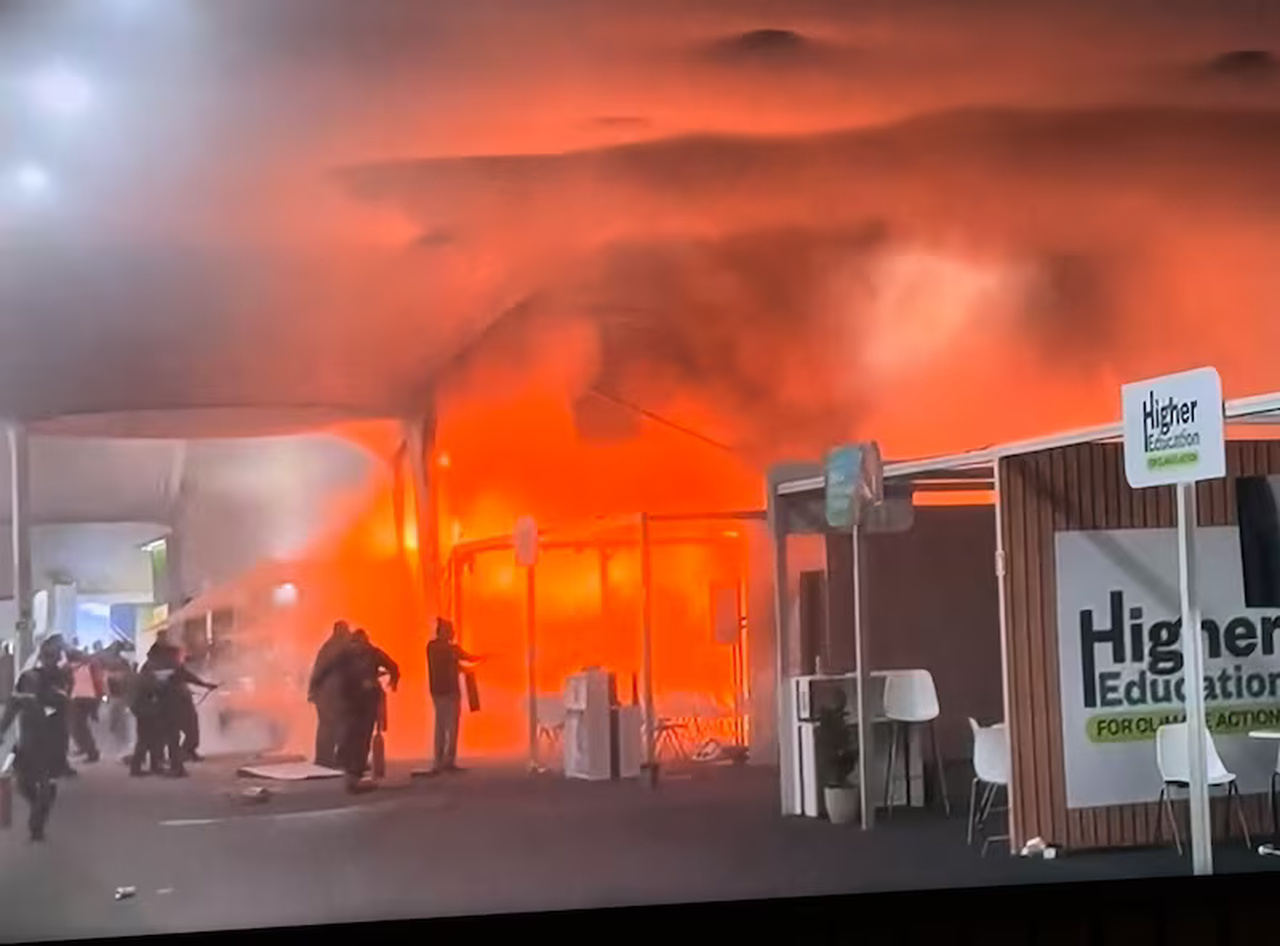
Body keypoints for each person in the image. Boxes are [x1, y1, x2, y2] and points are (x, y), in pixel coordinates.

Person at [0, 639, 73, 841]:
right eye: (48, 656)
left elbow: (63, 707)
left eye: (54, 656)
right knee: (23, 783)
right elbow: (13, 706)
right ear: (41, 657)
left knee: (47, 784)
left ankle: (37, 823)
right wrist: (2, 730)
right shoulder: (27, 678)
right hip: (29, 740)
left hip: (52, 742)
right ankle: (37, 808)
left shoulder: (61, 679)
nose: (51, 660)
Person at [316, 628, 399, 793]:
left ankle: (353, 772)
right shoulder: (369, 653)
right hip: (359, 702)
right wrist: (393, 681)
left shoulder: (348, 654)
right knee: (359, 737)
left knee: (356, 736)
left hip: (355, 702)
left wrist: (316, 686)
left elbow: (326, 669)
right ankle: (354, 772)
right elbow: (394, 667)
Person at [426, 619, 480, 774]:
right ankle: (443, 761)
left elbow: (458, 664)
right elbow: (465, 658)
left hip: (442, 692)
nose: (452, 633)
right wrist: (482, 657)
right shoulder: (439, 648)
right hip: (446, 692)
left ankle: (443, 761)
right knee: (447, 727)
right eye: (449, 630)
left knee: (445, 727)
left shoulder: (438, 649)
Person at [307, 621, 352, 769]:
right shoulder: (336, 649)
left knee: (329, 726)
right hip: (330, 696)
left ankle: (326, 758)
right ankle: (327, 759)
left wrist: (312, 691)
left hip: (326, 695)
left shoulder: (329, 647)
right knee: (331, 726)